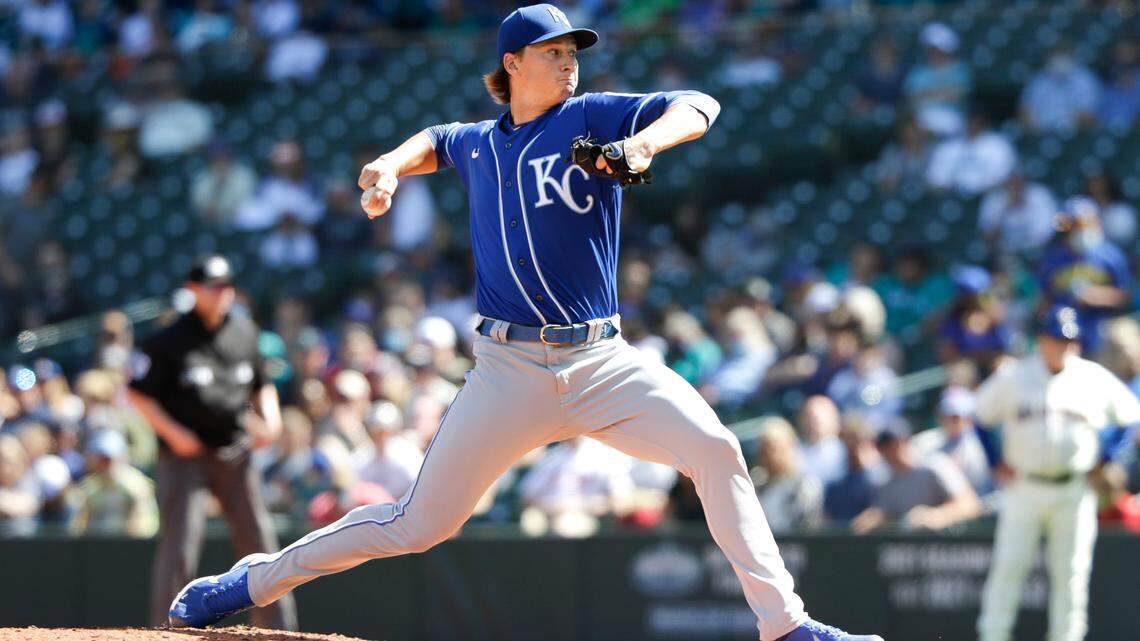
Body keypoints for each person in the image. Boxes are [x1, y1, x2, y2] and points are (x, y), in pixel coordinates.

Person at [169, 6, 884, 641]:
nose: (570, 63)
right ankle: (253, 582)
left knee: (717, 448)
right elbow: (435, 138)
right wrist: (388, 166)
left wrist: (644, 145)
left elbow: (700, 103)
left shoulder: (591, 116)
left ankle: (785, 625)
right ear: (512, 64)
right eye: (553, 52)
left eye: (574, 52)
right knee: (420, 524)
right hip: (507, 370)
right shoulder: (481, 141)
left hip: (602, 360)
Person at [128, 255, 297, 629]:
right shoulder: (169, 340)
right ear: (192, 291)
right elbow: (138, 393)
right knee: (178, 547)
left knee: (260, 543)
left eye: (225, 286)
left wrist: (271, 417)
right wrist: (174, 433)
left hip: (234, 450)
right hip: (184, 455)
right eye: (212, 287)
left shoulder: (244, 332)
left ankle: (279, 631)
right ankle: (166, 630)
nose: (221, 294)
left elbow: (261, 383)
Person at [975, 306, 1140, 641]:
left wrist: (1107, 457)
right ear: (1041, 340)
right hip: (1025, 486)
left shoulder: (1090, 376)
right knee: (1008, 569)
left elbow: (1131, 417)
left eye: (1068, 339)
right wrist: (994, 461)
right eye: (1055, 338)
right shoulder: (1014, 376)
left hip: (1074, 489)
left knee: (1072, 574)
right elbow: (979, 415)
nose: (1062, 345)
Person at [1036, 197, 1131, 354]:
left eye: (1084, 223)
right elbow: (1042, 302)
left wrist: (1097, 296)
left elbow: (1126, 296)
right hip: (1064, 330)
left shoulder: (1111, 255)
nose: (1079, 229)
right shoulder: (1052, 259)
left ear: (1095, 222)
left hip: (1102, 326)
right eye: (1074, 224)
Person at [850, 424, 981, 534]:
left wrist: (937, 515)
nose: (888, 450)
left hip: (951, 550)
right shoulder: (887, 482)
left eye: (891, 443)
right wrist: (875, 518)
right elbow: (886, 514)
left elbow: (971, 505)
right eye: (882, 446)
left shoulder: (936, 464)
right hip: (912, 555)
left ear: (904, 441)